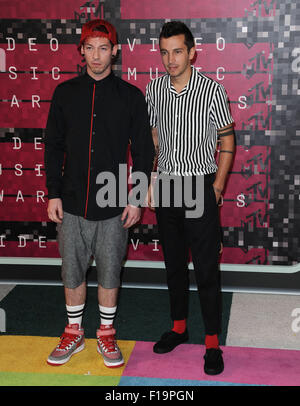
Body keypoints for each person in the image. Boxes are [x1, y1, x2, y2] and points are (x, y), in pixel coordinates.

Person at [44, 19, 154, 368]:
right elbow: (53, 146)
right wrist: (53, 193)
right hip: (72, 201)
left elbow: (144, 152)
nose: (96, 55)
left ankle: (106, 333)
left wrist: (136, 197)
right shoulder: (64, 93)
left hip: (113, 203)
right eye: (89, 48)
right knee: (71, 270)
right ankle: (74, 331)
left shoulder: (131, 97)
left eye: (103, 48)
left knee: (109, 271)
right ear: (81, 51)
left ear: (115, 51)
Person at [146, 21, 235, 375]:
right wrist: (151, 179)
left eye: (178, 51)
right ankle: (179, 327)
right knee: (173, 265)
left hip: (200, 184)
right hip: (167, 185)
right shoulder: (153, 89)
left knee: (206, 269)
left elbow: (227, 141)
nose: (171, 59)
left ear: (193, 52)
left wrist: (217, 188)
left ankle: (212, 341)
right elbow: (154, 136)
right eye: (165, 52)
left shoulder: (212, 91)